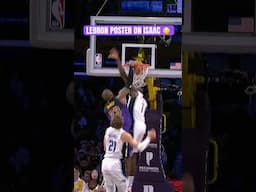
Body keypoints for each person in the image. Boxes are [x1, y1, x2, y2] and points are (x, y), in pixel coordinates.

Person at [108, 48, 149, 189]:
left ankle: (130, 184)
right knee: (129, 157)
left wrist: (127, 64)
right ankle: (129, 184)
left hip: (136, 125)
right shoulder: (127, 91)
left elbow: (128, 80)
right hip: (129, 127)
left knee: (132, 157)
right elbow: (123, 76)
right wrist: (118, 60)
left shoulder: (137, 92)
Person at [101, 115, 156, 192]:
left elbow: (105, 147)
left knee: (110, 189)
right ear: (122, 123)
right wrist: (148, 138)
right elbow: (139, 147)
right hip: (114, 163)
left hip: (105, 162)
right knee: (124, 189)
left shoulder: (108, 130)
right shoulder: (123, 134)